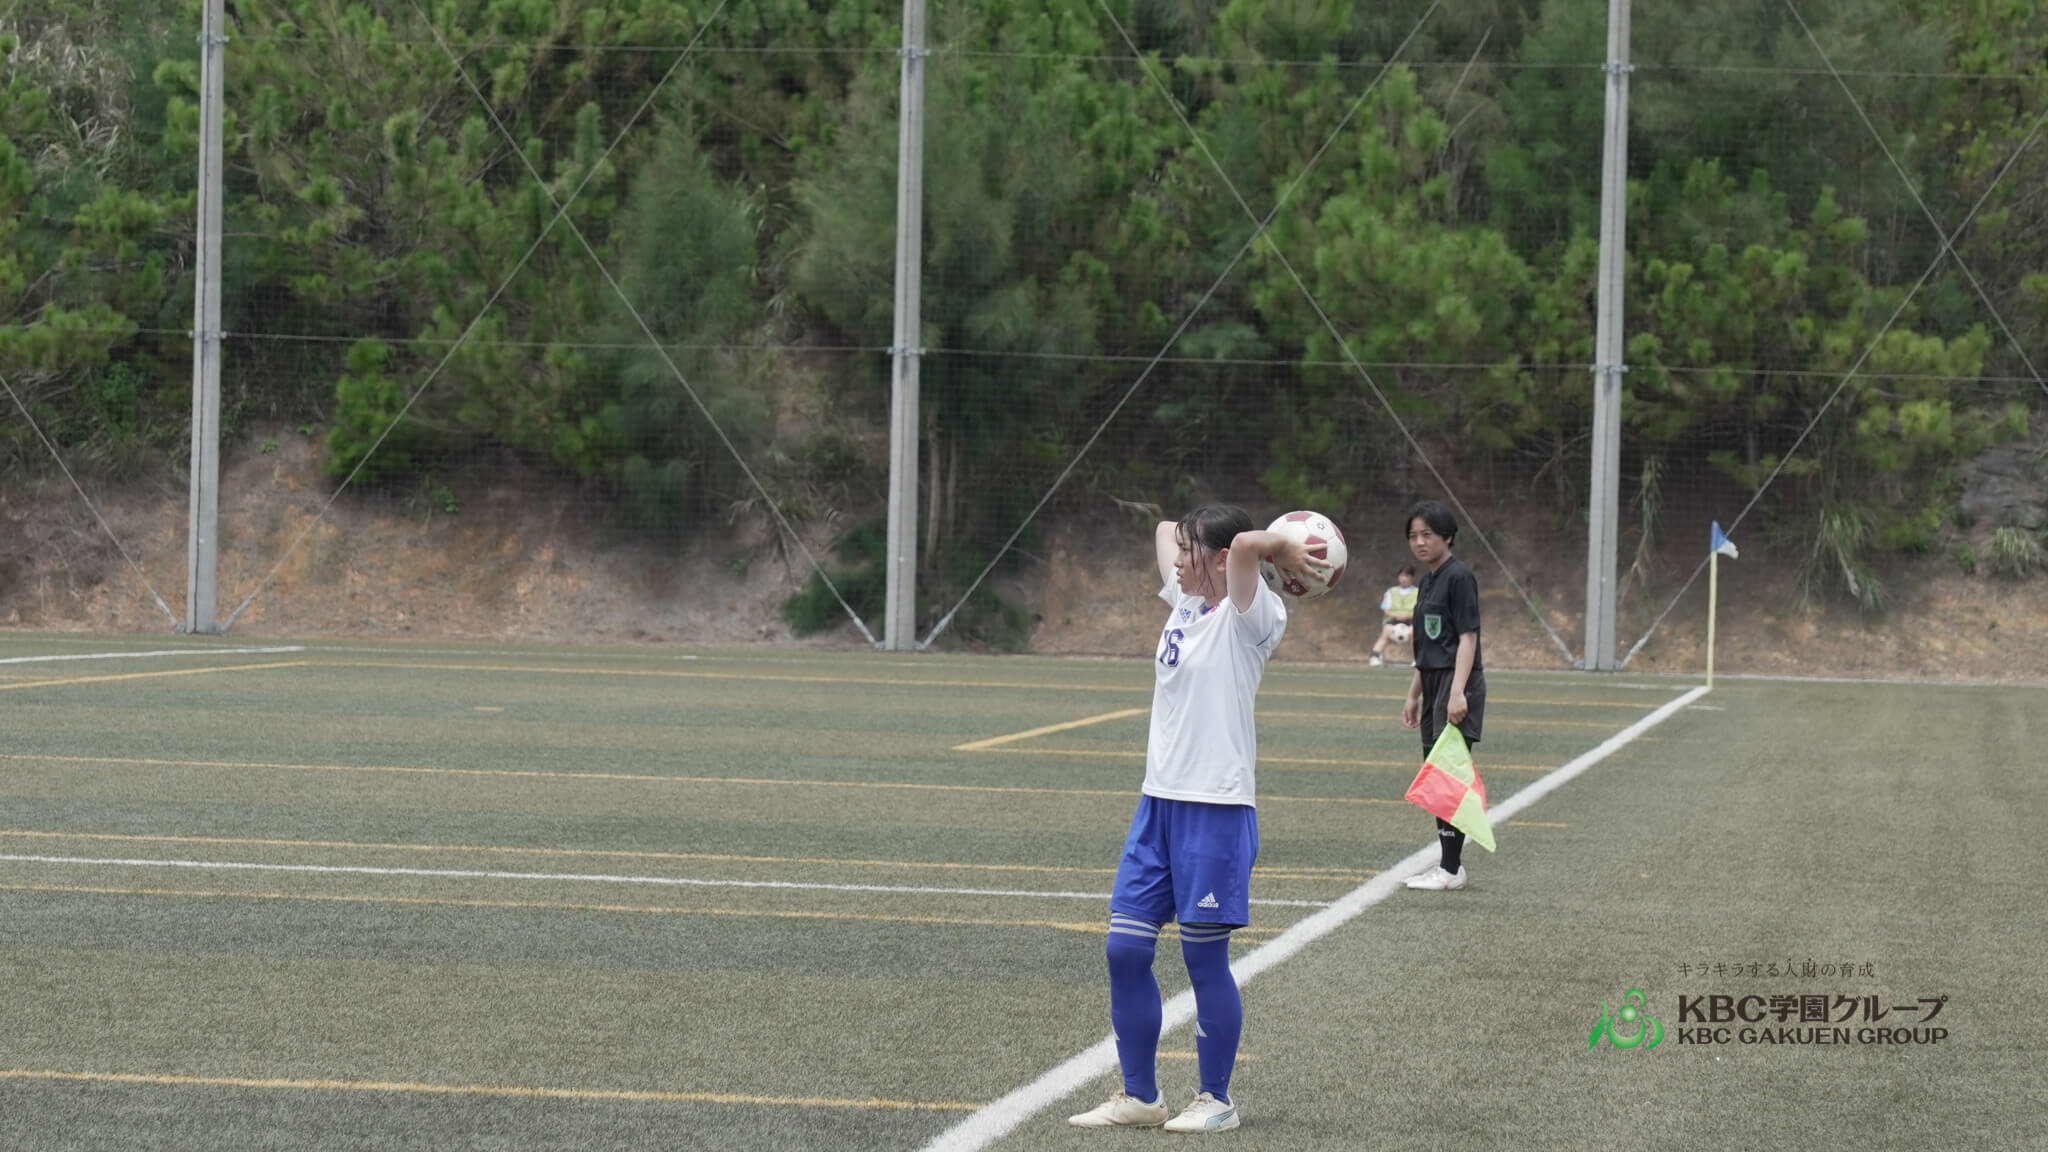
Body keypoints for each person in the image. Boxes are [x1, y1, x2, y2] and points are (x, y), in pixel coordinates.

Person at [1068, 505, 1324, 1134]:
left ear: (1219, 559)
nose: (1176, 560)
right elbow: (1164, 531)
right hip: (1158, 803)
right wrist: (1198, 541)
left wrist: (1277, 546)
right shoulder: (1186, 602)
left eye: (1190, 552)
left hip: (1217, 808)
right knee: (1125, 949)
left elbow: (1245, 549)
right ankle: (1141, 1097)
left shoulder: (1252, 614)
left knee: (1203, 959)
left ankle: (1216, 1099)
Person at [1398, 500, 1485, 891]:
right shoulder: (1427, 580)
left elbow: (1468, 638)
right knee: (1437, 775)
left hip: (1456, 682)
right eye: (1413, 536)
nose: (1419, 542)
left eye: (1427, 535)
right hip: (1433, 682)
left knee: (1448, 775)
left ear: (1447, 536)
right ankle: (1449, 867)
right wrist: (1413, 694)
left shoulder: (1459, 576)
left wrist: (1457, 692)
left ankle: (1451, 870)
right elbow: (1428, 646)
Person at [1367, 565, 1420, 666]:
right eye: (1401, 576)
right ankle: (1375, 656)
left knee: (1415, 632)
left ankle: (1418, 659)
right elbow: (1386, 610)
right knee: (1387, 631)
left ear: (1412, 578)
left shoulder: (1418, 592)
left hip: (1411, 620)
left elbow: (1420, 610)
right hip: (1394, 620)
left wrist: (1407, 616)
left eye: (1407, 576)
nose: (1403, 578)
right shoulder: (1391, 591)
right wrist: (1397, 616)